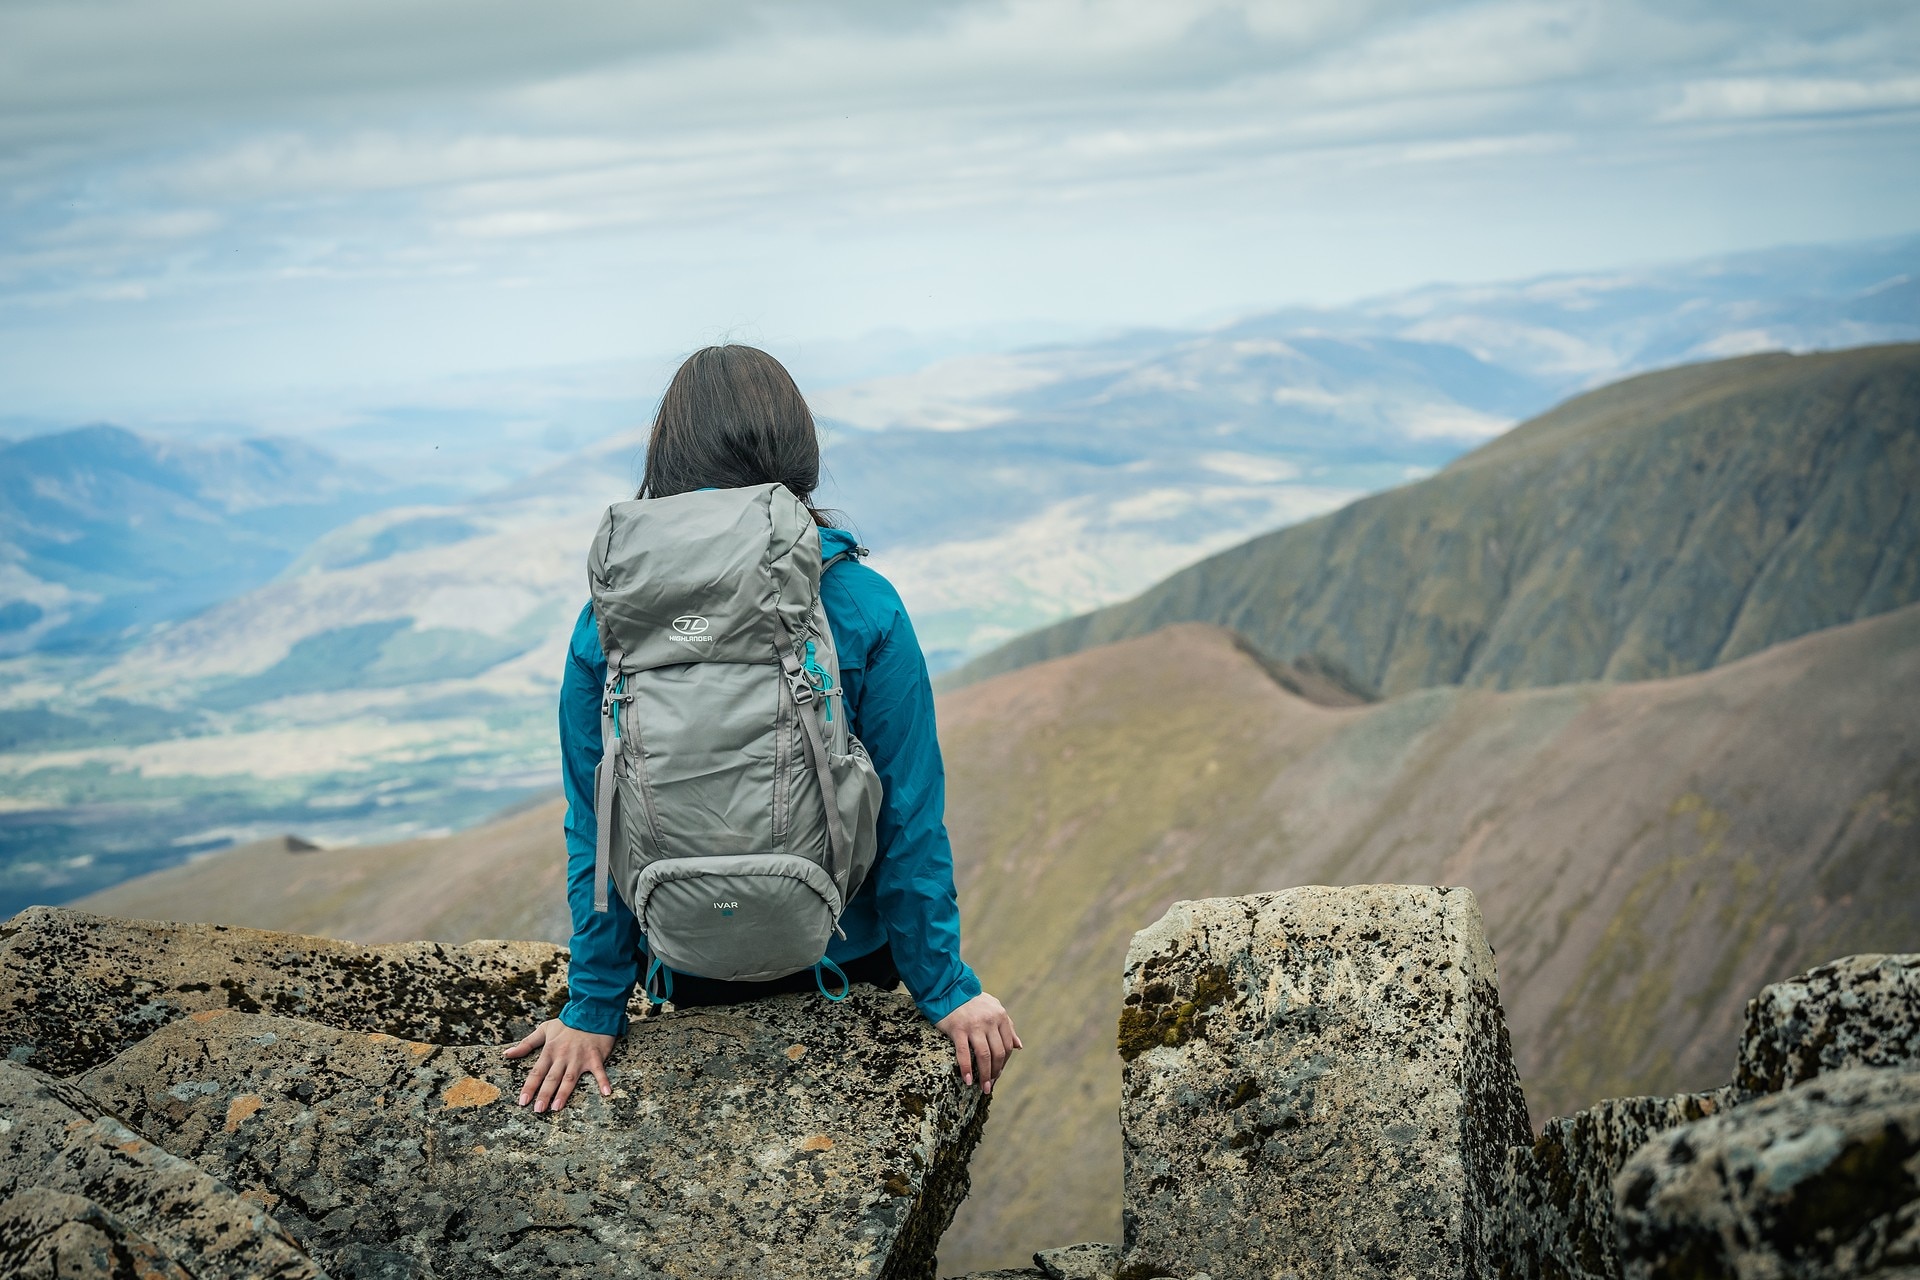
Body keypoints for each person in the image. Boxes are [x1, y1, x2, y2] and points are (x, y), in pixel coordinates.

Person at [505, 344, 1021, 1113]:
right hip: (844, 963)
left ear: (667, 458)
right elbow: (908, 815)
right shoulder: (862, 603)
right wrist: (945, 987)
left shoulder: (608, 624)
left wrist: (593, 1007)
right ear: (797, 451)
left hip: (687, 969)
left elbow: (596, 823)